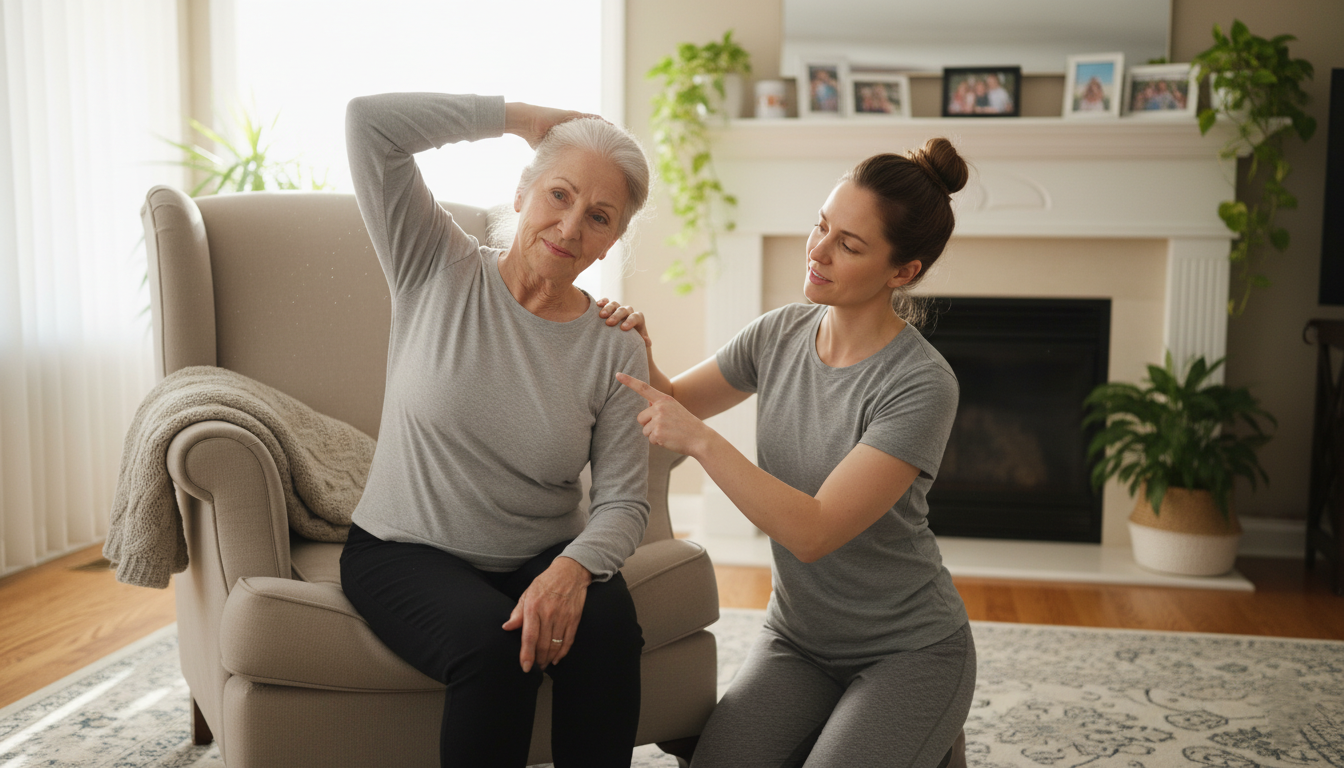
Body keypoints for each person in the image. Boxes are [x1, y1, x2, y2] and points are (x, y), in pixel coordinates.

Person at [599, 138, 976, 767]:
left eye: (848, 245)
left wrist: (702, 441)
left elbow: (814, 531)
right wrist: (639, 345)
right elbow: (675, 399)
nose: (818, 251)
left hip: (910, 649)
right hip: (798, 641)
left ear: (902, 271)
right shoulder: (779, 332)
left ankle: (920, 734)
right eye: (821, 225)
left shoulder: (921, 384)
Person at [338, 92, 653, 768]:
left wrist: (572, 568)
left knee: (608, 629)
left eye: (599, 217)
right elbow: (370, 125)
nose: (570, 226)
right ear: (521, 192)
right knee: (494, 647)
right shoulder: (435, 262)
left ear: (611, 241)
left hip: (541, 551)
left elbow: (625, 502)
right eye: (559, 194)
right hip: (403, 548)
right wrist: (521, 120)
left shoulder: (616, 345)